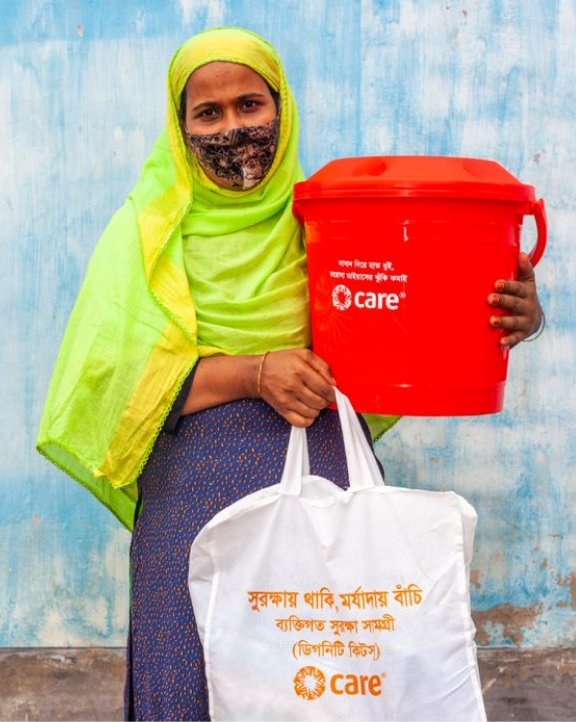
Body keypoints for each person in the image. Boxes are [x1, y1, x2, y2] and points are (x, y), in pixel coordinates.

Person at [37, 27, 544, 722]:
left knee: (328, 666)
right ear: (179, 126)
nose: (233, 128)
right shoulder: (147, 234)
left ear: (283, 108)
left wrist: (511, 313)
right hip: (196, 481)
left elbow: (415, 311)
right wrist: (253, 373)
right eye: (207, 114)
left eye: (251, 105)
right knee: (192, 666)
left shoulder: (333, 219)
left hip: (325, 469)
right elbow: (114, 380)